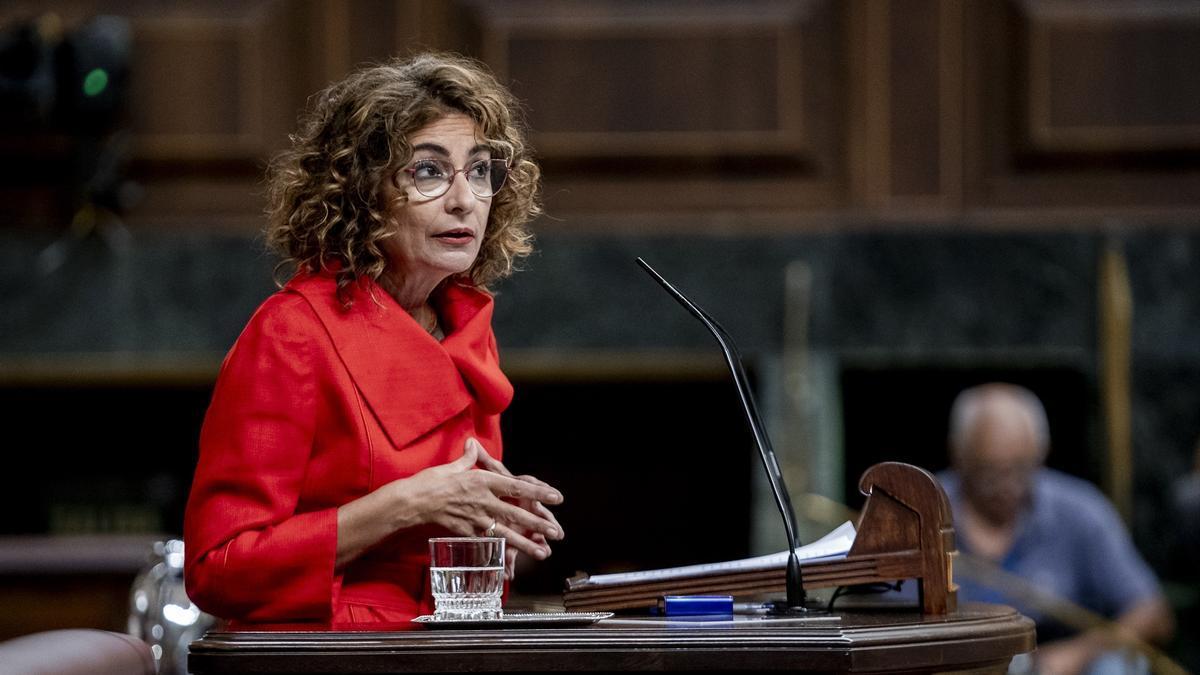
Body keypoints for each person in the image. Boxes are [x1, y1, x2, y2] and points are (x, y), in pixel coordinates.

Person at [183, 53, 564, 628]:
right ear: (363, 192)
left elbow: (438, 556)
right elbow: (218, 569)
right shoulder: (292, 332)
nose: (465, 199)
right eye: (430, 171)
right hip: (330, 653)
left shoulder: (465, 329)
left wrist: (497, 534)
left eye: (481, 170)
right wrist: (408, 505)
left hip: (446, 646)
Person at [939, 383, 1174, 675]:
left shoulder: (1080, 510)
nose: (1006, 487)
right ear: (958, 455)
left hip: (1060, 658)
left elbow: (1150, 610)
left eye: (1021, 469)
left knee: (1117, 667)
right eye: (989, 472)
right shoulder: (921, 514)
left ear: (1042, 452)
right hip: (954, 663)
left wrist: (1078, 653)